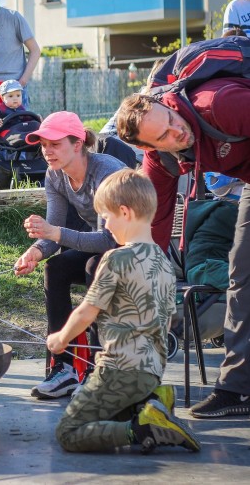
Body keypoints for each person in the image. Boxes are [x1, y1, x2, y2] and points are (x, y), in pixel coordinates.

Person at [115, 78, 250, 418]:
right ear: (150, 147)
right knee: (241, 275)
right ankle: (238, 389)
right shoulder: (161, 162)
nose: (178, 133)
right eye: (163, 137)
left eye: (172, 120)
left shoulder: (220, 104)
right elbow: (154, 228)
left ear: (167, 103)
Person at [51, 170, 200, 454]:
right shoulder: (165, 263)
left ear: (124, 212)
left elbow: (87, 311)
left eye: (106, 218)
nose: (105, 226)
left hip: (119, 371)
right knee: (105, 415)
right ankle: (149, 400)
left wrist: (61, 339)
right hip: (152, 370)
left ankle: (143, 428)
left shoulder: (116, 259)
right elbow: (167, 321)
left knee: (68, 432)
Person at [14, 111, 126, 399]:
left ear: (78, 144)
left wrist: (53, 234)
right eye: (43, 145)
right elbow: (56, 230)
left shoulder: (106, 172)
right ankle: (63, 368)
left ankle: (97, 369)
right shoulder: (55, 176)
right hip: (104, 248)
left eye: (55, 143)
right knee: (56, 268)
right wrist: (36, 251)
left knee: (94, 266)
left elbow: (110, 238)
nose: (47, 151)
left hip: (136, 251)